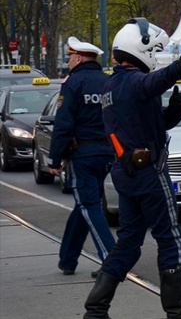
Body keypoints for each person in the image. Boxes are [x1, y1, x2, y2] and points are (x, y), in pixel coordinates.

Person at [83, 17, 181, 319]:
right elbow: (150, 83)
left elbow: (143, 125)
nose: (157, 57)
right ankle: (177, 313)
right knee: (171, 238)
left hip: (126, 174)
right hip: (149, 173)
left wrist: (173, 112)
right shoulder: (134, 81)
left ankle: (95, 310)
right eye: (155, 51)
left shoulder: (113, 85)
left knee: (129, 244)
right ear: (141, 47)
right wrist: (178, 68)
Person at [48, 37, 116, 279]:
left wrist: (54, 160)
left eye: (69, 57)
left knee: (89, 206)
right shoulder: (108, 82)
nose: (68, 61)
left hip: (83, 154)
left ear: (77, 57)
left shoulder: (73, 83)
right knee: (83, 206)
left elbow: (63, 124)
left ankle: (111, 261)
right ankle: (68, 259)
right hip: (108, 152)